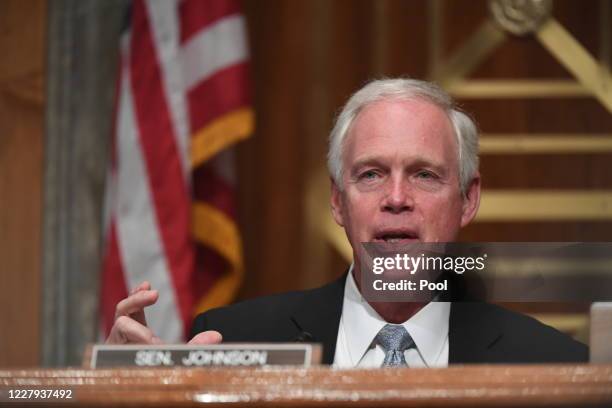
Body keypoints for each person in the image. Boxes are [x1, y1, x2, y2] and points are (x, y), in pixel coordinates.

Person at [107, 78, 588, 366]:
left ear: (467, 199)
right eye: (371, 174)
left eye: (424, 175)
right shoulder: (231, 341)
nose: (396, 198)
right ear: (338, 201)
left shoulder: (555, 363)